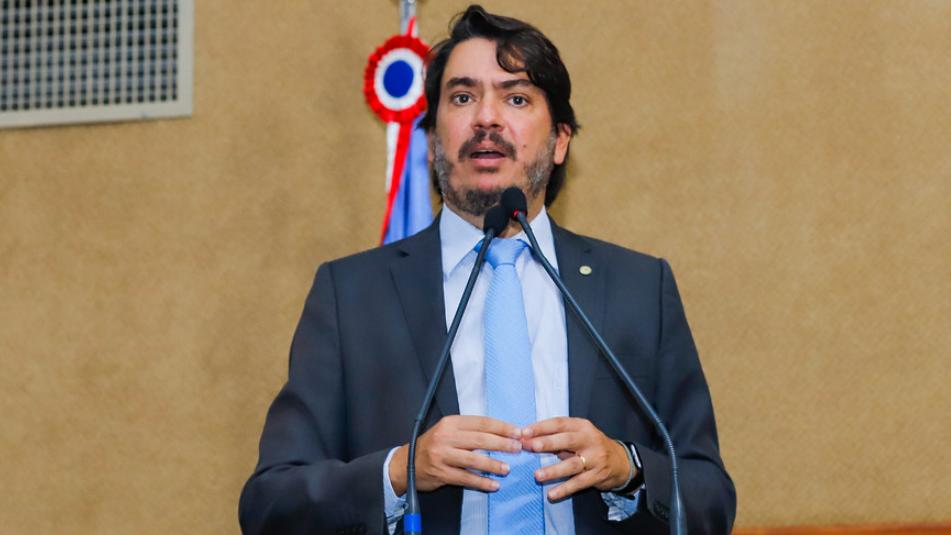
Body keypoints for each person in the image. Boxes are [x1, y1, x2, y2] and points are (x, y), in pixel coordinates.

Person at [239, 5, 735, 535]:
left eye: (516, 98)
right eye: (462, 97)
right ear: (433, 140)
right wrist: (399, 471)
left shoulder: (639, 288)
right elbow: (269, 504)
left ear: (560, 140)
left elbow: (710, 497)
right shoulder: (352, 295)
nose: (486, 119)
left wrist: (628, 468)